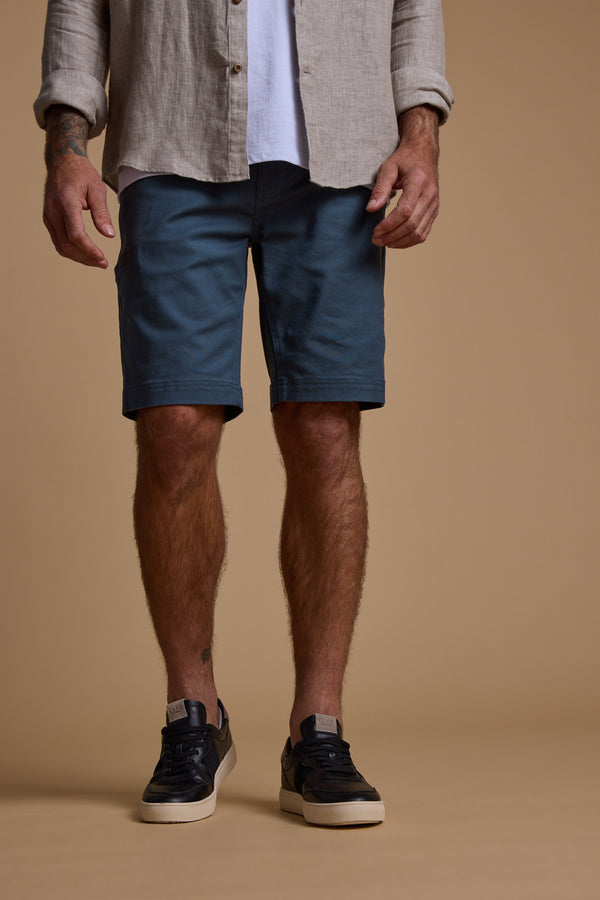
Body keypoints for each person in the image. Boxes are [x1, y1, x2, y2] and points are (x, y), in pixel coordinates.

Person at [35, 0, 453, 827]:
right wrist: (66, 149)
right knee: (174, 427)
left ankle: (317, 731)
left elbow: (414, 9)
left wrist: (421, 137)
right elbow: (79, 7)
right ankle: (194, 717)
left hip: (341, 160)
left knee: (324, 429)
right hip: (171, 139)